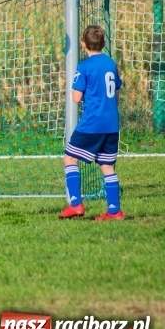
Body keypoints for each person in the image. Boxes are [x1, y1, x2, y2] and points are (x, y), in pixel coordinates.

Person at [58, 25, 124, 221]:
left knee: (69, 159)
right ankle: (114, 211)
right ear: (103, 43)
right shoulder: (111, 63)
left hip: (92, 123)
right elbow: (116, 91)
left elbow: (76, 97)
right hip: (112, 124)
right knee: (106, 165)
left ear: (83, 44)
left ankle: (76, 204)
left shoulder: (84, 67)